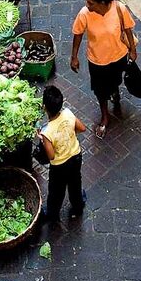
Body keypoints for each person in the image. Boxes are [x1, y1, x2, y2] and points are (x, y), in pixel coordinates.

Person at [71, 0, 137, 140]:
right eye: (87, 1)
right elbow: (78, 34)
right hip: (96, 61)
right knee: (100, 90)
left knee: (116, 81)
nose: (87, 5)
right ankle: (105, 116)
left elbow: (128, 29)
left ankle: (114, 92)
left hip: (118, 56)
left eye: (90, 3)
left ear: (102, 3)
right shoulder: (84, 14)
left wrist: (133, 50)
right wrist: (74, 56)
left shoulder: (119, 8)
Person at [39, 85, 86, 223]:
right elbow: (82, 128)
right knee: (75, 183)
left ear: (45, 108)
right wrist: (68, 133)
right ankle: (78, 207)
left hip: (59, 166)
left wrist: (43, 141)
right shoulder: (68, 113)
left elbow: (51, 155)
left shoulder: (47, 132)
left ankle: (52, 215)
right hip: (76, 157)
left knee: (56, 192)